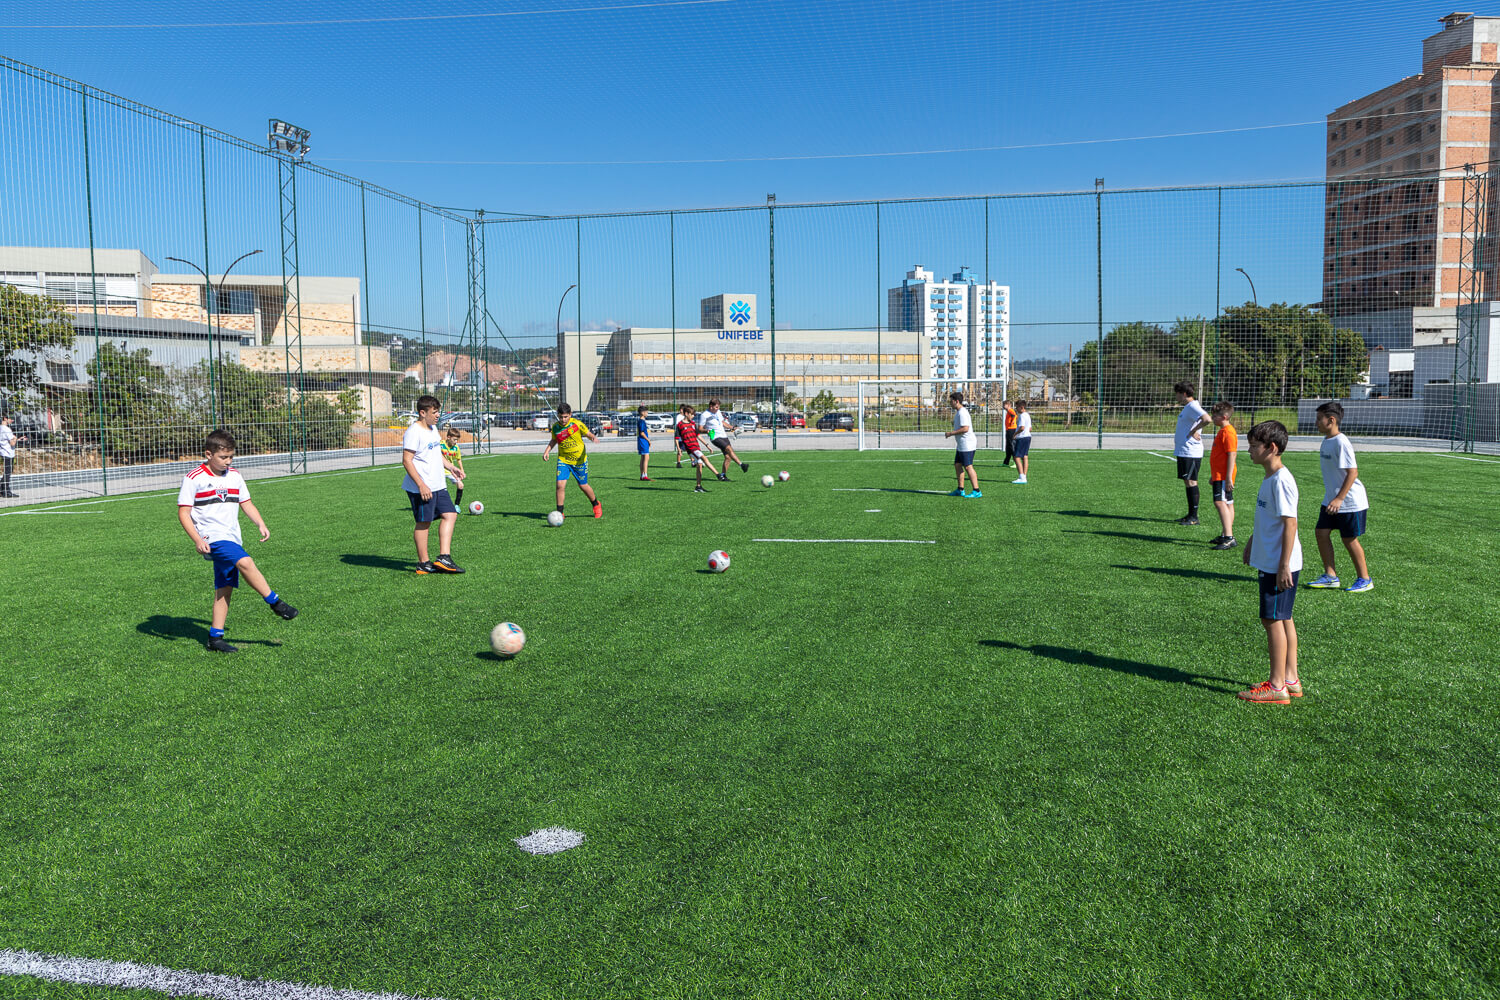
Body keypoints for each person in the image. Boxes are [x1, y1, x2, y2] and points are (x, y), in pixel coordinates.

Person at [176, 428, 298, 653]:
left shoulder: (235, 475)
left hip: (232, 537)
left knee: (225, 588)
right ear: (208, 454)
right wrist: (196, 539)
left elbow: (246, 503)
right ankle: (276, 603)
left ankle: (215, 638)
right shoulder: (194, 478)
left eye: (231, 457)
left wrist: (260, 523)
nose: (228, 461)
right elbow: (184, 513)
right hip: (212, 538)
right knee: (246, 562)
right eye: (223, 457)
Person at [1238, 420, 1302, 704]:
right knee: (1284, 618)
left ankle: (1277, 687)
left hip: (1278, 564)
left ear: (1272, 448)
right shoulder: (1269, 477)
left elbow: (1290, 524)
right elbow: (1271, 519)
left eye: (1253, 446)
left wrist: (1283, 565)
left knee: (1272, 619)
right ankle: (1291, 679)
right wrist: (1253, 541)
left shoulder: (1281, 481)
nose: (1248, 451)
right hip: (1272, 560)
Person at [1308, 401, 1373, 593]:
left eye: (1319, 419)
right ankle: (1330, 576)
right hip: (1331, 499)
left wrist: (1339, 499)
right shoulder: (1327, 440)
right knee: (1321, 532)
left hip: (1349, 501)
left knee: (1349, 539)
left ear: (1331, 420)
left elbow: (1352, 472)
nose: (1316, 423)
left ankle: (1365, 579)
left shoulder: (1341, 442)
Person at [402, 395, 466, 574]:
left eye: (438, 411)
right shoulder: (414, 432)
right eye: (434, 412)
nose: (438, 415)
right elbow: (407, 461)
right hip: (422, 487)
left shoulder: (433, 428)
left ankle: (444, 558)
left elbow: (437, 453)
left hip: (438, 484)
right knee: (424, 522)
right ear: (422, 413)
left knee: (450, 514)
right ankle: (423, 563)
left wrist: (451, 466)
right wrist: (422, 485)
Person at [542, 402, 603, 518]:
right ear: (558, 415)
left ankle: (596, 504)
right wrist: (547, 451)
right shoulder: (555, 427)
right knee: (560, 485)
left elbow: (588, 433)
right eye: (561, 417)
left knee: (583, 485)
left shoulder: (577, 424)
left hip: (579, 461)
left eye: (565, 417)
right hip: (563, 460)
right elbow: (554, 440)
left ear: (570, 414)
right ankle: (560, 512)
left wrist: (593, 438)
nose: (563, 419)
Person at [1172, 380, 1211, 526]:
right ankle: (1190, 515)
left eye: (1177, 394)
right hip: (1184, 450)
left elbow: (1207, 419)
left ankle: (1194, 517)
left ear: (1183, 393)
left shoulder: (1193, 406)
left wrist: (1194, 430)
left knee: (1192, 481)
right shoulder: (1188, 407)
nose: (1176, 397)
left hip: (1191, 451)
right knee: (1187, 481)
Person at [1207, 402, 1239, 550]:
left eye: (1215, 416)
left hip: (1224, 476)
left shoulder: (1228, 432)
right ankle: (1226, 533)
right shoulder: (1223, 430)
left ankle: (1228, 537)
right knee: (1227, 503)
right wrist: (1214, 475)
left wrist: (1227, 477)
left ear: (1224, 417)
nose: (1213, 418)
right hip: (1219, 475)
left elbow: (1232, 454)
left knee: (1220, 502)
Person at [676, 405, 724, 492]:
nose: (693, 416)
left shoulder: (693, 424)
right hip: (690, 448)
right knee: (704, 458)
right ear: (686, 414)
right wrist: (679, 449)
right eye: (692, 414)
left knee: (700, 465)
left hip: (696, 447)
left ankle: (698, 486)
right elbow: (676, 438)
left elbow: (698, 435)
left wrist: (707, 445)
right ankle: (718, 475)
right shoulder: (680, 425)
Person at [944, 390, 981, 498]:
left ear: (956, 401)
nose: (950, 403)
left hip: (967, 444)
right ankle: (960, 489)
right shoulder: (959, 412)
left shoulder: (963, 413)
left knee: (968, 466)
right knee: (958, 465)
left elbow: (965, 428)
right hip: (961, 444)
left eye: (951, 401)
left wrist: (951, 433)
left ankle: (976, 490)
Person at [698, 398, 748, 477]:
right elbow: (700, 428)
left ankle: (723, 475)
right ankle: (742, 465)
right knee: (728, 448)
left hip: (723, 435)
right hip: (715, 437)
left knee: (728, 457)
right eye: (716, 407)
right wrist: (707, 431)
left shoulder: (718, 412)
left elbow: (723, 422)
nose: (718, 409)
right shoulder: (704, 415)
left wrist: (732, 428)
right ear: (711, 406)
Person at [441, 426, 466, 509]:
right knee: (441, 489)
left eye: (457, 440)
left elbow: (458, 459)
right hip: (439, 471)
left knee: (460, 485)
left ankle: (456, 505)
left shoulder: (456, 448)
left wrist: (462, 470)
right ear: (448, 437)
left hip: (450, 470)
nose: (456, 442)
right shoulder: (440, 444)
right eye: (454, 439)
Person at [1011, 400, 1032, 485]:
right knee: (1025, 456)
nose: (1016, 409)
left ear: (1021, 407)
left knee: (1016, 457)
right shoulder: (1027, 415)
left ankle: (1021, 477)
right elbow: (1029, 428)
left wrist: (1015, 434)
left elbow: (1022, 428)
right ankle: (1024, 476)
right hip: (1028, 436)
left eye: (1017, 407)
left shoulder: (1022, 416)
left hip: (1022, 437)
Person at [0, 414, 16, 497]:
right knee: (8, 472)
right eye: (11, 418)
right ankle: (5, 490)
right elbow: (12, 443)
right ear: (5, 418)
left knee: (7, 472)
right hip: (8, 453)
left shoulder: (0, 428)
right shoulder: (7, 429)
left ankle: (2, 489)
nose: (12, 420)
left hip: (3, 451)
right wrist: (15, 438)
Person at [636, 405, 652, 481]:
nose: (647, 413)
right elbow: (642, 433)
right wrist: (648, 440)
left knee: (643, 458)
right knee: (646, 457)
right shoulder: (642, 421)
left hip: (641, 441)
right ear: (642, 413)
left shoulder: (640, 421)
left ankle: (642, 475)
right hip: (643, 441)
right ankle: (645, 475)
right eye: (646, 412)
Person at [1002, 400, 1017, 467]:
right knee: (1008, 446)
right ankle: (1006, 462)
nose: (1003, 406)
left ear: (1008, 405)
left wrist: (1013, 422)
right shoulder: (1008, 411)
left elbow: (1014, 415)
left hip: (1011, 430)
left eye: (1004, 405)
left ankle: (1016, 462)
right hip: (1009, 430)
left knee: (1011, 445)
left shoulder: (1011, 410)